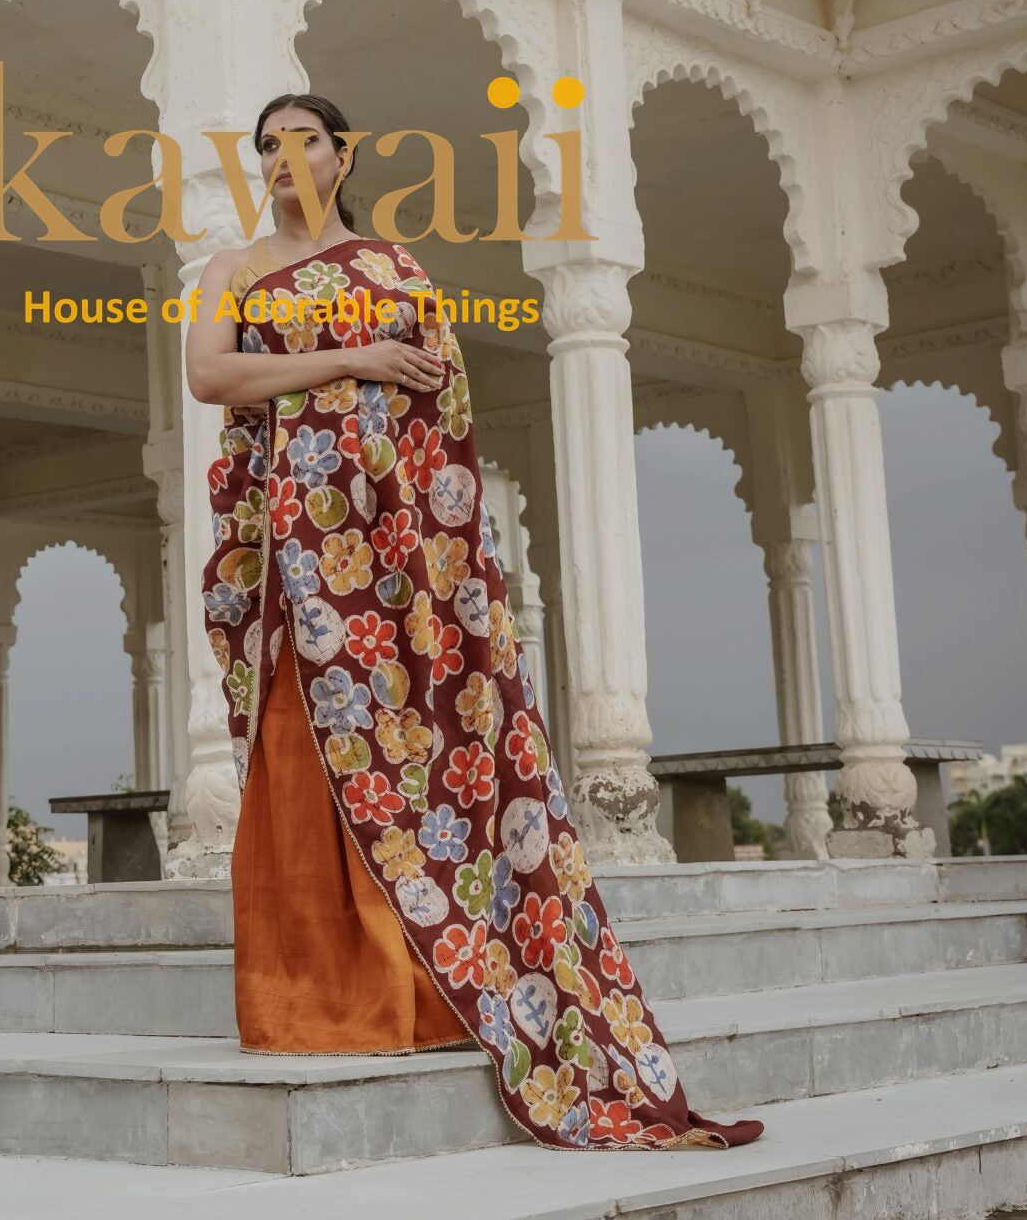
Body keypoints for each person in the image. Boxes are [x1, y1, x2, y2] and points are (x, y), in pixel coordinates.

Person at [185, 90, 764, 1153]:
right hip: (296, 550)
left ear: (343, 149)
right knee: (302, 751)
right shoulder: (229, 268)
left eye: (301, 137)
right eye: (264, 142)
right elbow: (211, 374)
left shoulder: (398, 269)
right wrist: (342, 361)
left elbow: (441, 412)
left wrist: (443, 571)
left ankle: (429, 994)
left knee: (420, 756)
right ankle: (317, 1000)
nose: (280, 155)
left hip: (394, 559)